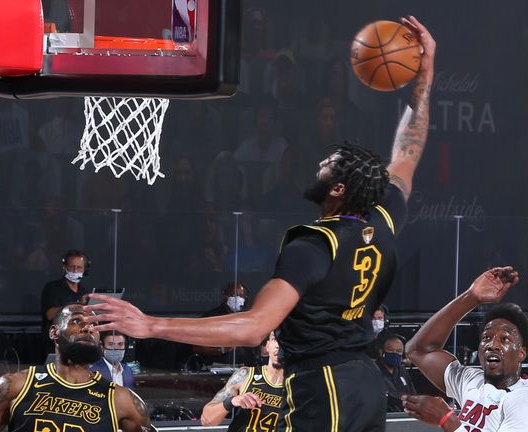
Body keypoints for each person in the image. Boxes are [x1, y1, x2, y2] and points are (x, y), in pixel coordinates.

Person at [84, 15, 435, 432]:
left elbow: (254, 328)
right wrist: (424, 79)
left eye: (329, 165)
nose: (319, 163)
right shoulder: (383, 216)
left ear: (339, 188)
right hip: (363, 381)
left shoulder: (314, 244)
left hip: (324, 383)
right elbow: (407, 154)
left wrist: (151, 324)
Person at [402, 267, 528, 431]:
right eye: (486, 337)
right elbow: (419, 350)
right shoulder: (472, 380)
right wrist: (471, 297)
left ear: (521, 353)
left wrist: (446, 418)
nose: (492, 345)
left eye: (505, 339)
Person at [0, 303, 150, 432]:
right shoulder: (15, 386)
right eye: (77, 321)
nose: (87, 328)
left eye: (94, 325)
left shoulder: (121, 399)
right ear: (54, 332)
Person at [200, 331, 284, 431]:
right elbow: (206, 420)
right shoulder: (245, 375)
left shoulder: (298, 386)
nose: (278, 346)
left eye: (284, 342)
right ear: (267, 346)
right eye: (275, 340)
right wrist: (231, 402)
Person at [40, 249, 91, 352]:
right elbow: (50, 314)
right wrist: (78, 305)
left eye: (79, 267)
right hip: (58, 342)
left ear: (84, 270)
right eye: (72, 267)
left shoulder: (84, 291)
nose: (75, 271)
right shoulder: (52, 288)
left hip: (79, 341)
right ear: (64, 267)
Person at [192, 283, 252, 366]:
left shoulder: (247, 318)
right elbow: (197, 348)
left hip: (243, 368)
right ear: (225, 296)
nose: (238, 298)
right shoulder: (212, 317)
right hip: (216, 366)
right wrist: (222, 349)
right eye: (234, 295)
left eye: (241, 296)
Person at [375, 333, 415, 412]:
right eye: (390, 350)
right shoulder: (374, 371)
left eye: (399, 351)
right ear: (381, 352)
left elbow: (413, 394)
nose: (395, 353)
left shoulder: (402, 371)